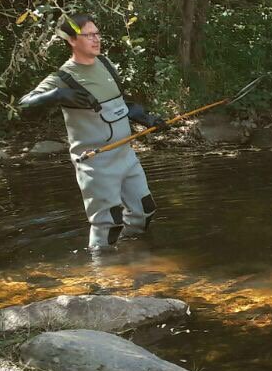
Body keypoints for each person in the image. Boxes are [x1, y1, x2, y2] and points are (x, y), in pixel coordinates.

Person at [18, 14, 164, 251]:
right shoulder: (63, 77)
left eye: (97, 33)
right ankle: (102, 278)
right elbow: (24, 103)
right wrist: (57, 95)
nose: (96, 39)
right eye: (89, 35)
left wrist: (147, 118)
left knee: (145, 212)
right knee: (109, 224)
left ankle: (134, 260)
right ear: (72, 40)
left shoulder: (105, 63)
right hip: (95, 162)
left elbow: (121, 105)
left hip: (126, 155)